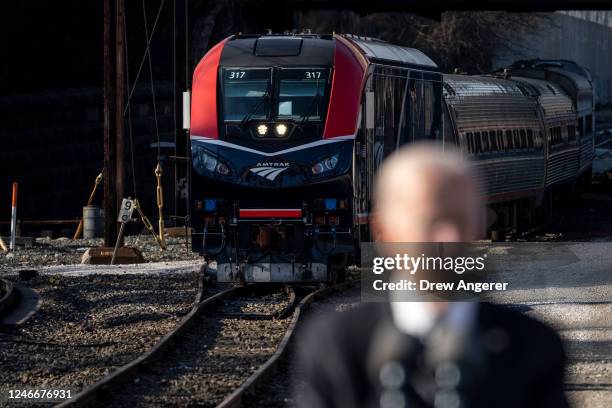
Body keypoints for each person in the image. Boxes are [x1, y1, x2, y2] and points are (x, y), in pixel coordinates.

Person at [294, 143, 568, 408]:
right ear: (385, 231)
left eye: (461, 219)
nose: (449, 238)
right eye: (432, 221)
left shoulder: (534, 348)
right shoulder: (338, 346)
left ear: (480, 227)